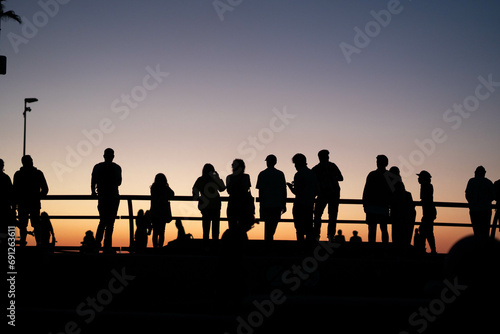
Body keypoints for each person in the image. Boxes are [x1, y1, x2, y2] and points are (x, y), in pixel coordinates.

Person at [13, 155, 49, 246]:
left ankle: (22, 243)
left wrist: (14, 204)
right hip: (34, 203)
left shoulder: (18, 174)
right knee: (36, 225)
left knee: (23, 225)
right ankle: (38, 244)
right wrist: (37, 196)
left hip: (23, 204)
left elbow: (14, 191)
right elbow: (45, 189)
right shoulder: (38, 173)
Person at [91, 148, 122, 251]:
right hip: (113, 197)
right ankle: (107, 246)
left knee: (102, 221)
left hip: (103, 197)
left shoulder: (98, 167)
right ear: (113, 156)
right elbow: (119, 182)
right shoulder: (117, 167)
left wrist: (93, 192)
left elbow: (93, 181)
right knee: (110, 224)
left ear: (104, 156)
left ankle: (97, 245)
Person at [312, 149, 343, 241]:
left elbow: (312, 182)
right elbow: (341, 178)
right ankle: (330, 236)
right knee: (332, 216)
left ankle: (317, 235)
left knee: (318, 215)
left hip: (323, 194)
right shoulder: (332, 166)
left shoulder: (316, 169)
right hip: (332, 194)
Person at [287, 153, 318, 244]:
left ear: (297, 163)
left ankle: (300, 247)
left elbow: (296, 192)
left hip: (299, 204)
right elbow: (317, 190)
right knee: (309, 227)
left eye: (295, 164)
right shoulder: (312, 174)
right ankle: (309, 247)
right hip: (309, 204)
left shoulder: (298, 174)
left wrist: (290, 187)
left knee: (299, 228)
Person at [256, 154, 287, 242]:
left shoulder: (262, 174)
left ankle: (268, 244)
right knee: (273, 225)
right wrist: (284, 204)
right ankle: (269, 243)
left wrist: (261, 206)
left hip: (266, 204)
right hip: (277, 204)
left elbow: (260, 191)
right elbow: (283, 190)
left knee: (268, 226)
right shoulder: (280, 174)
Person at [192, 163, 226, 243]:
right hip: (215, 206)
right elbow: (222, 188)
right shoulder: (214, 179)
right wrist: (217, 177)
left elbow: (195, 191)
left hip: (205, 207)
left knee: (206, 229)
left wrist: (198, 198)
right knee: (215, 229)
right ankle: (215, 247)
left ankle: (206, 247)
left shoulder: (200, 179)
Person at [362, 155, 391, 243]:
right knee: (383, 228)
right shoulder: (389, 175)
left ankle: (372, 249)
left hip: (372, 206)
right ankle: (385, 249)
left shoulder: (372, 175)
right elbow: (392, 192)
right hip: (383, 206)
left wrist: (365, 205)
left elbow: (366, 191)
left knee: (372, 229)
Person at [465, 166, 495, 240]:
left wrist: (472, 203)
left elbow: (467, 194)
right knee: (485, 231)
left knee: (476, 231)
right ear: (484, 173)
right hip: (486, 210)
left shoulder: (471, 181)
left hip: (474, 210)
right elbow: (493, 195)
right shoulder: (488, 182)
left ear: (475, 173)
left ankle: (478, 248)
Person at [226, 159, 254, 231]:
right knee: (243, 229)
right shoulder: (246, 177)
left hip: (232, 204)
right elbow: (246, 189)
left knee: (232, 228)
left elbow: (229, 191)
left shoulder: (229, 177)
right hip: (243, 205)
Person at [390, 172, 416, 248]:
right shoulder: (407, 194)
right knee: (405, 236)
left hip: (398, 214)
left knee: (397, 235)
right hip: (405, 215)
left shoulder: (394, 191)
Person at [150, 173, 174, 248]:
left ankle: (155, 247)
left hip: (154, 211)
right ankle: (160, 247)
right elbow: (172, 194)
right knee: (162, 231)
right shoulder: (165, 188)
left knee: (155, 231)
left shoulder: (153, 188)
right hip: (163, 212)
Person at [417, 170, 437, 254]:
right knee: (427, 231)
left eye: (420, 177)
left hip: (428, 212)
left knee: (425, 231)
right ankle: (430, 250)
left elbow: (425, 200)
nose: (418, 179)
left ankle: (427, 250)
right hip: (430, 212)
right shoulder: (428, 185)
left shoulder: (425, 186)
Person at [0, 159, 15, 237]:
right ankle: (10, 248)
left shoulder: (6, 178)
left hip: (5, 207)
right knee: (10, 230)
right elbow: (12, 193)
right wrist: (13, 208)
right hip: (6, 207)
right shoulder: (6, 178)